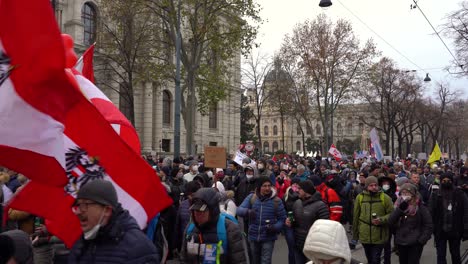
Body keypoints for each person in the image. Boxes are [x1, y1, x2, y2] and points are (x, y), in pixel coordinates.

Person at [68, 179, 159, 263]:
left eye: (85, 205)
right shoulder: (81, 244)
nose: (78, 212)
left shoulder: (139, 248)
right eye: (78, 205)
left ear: (107, 210)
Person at [180, 188, 247, 264]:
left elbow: (239, 260)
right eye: (195, 210)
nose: (197, 214)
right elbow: (184, 258)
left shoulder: (230, 229)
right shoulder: (190, 228)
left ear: (213, 210)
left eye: (202, 211)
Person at [237, 177, 287, 264]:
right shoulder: (252, 198)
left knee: (265, 261)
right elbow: (239, 210)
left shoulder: (276, 201)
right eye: (264, 186)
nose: (267, 188)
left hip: (268, 237)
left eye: (269, 186)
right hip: (253, 236)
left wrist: (274, 227)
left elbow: (282, 219)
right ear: (259, 187)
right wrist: (248, 212)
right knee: (255, 261)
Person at [352, 176, 394, 264]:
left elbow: (392, 214)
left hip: (379, 235)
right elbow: (356, 217)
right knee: (370, 259)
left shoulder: (385, 197)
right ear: (366, 186)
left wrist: (381, 220)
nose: (374, 187)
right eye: (371, 185)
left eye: (375, 185)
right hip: (365, 235)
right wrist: (355, 236)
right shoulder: (360, 198)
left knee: (376, 259)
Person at [388, 183, 433, 264]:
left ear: (413, 194)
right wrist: (400, 209)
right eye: (403, 193)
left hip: (415, 243)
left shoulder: (420, 206)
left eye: (407, 193)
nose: (405, 195)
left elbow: (428, 225)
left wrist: (421, 240)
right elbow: (391, 221)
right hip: (401, 242)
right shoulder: (398, 205)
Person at [429, 172, 468, 264]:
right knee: (441, 256)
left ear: (452, 181)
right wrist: (432, 228)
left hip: (455, 230)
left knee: (455, 254)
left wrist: (466, 229)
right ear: (441, 181)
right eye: (444, 180)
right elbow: (430, 212)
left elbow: (466, 212)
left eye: (448, 180)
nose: (446, 182)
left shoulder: (460, 194)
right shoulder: (435, 195)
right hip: (440, 230)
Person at [286, 180, 329, 264]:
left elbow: (325, 227)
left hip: (314, 247)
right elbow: (295, 222)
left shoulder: (320, 205)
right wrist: (290, 222)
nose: (297, 190)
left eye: (299, 188)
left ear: (306, 190)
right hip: (298, 244)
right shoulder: (297, 203)